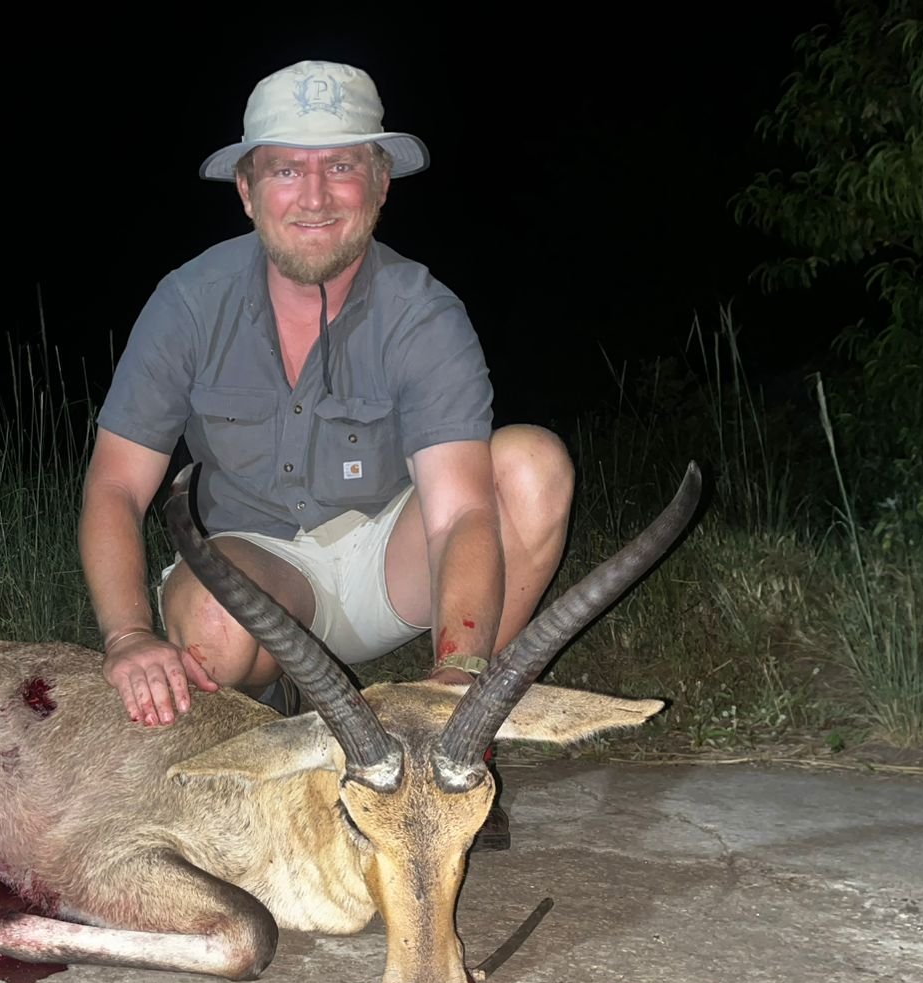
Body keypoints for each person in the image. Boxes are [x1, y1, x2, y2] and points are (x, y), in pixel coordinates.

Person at [79, 59, 574, 731]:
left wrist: (459, 669)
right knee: (210, 623)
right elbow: (115, 486)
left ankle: (458, 720)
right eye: (286, 170)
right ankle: (267, 701)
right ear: (248, 191)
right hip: (260, 572)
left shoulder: (424, 313)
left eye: (341, 168)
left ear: (380, 185)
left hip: (387, 564)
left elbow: (458, 516)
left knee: (533, 467)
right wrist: (128, 637)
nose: (315, 198)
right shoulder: (188, 304)